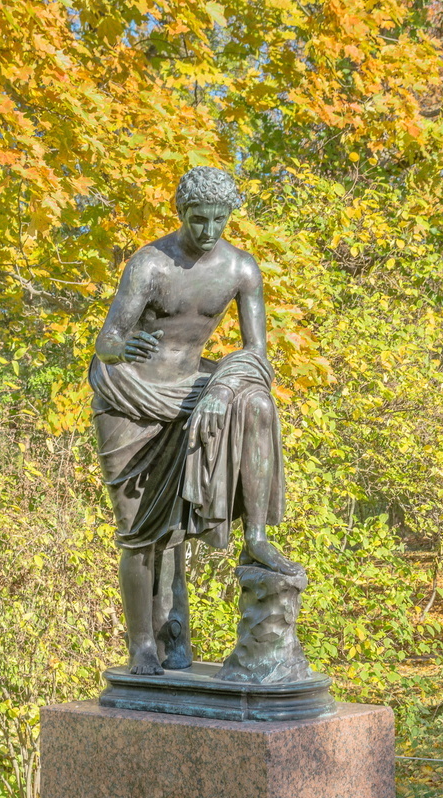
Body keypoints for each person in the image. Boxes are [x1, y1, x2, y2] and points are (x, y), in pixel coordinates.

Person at [89, 166, 300, 675]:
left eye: (218, 219)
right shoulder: (151, 265)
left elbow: (257, 355)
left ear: (229, 216)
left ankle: (254, 539)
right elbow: (107, 339)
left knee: (255, 403)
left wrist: (221, 388)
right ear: (181, 213)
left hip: (190, 389)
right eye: (198, 218)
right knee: (138, 530)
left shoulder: (241, 269)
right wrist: (121, 346)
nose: (208, 230)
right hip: (129, 394)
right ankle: (143, 645)